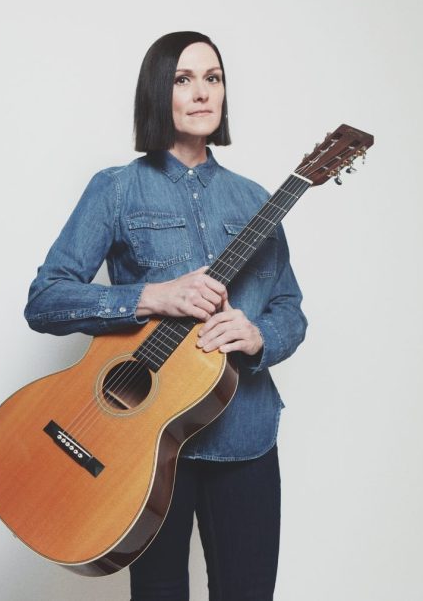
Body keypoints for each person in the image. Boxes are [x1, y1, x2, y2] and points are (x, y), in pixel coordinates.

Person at [24, 32, 307, 600]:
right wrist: (149, 296)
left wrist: (258, 335)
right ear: (159, 91)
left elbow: (290, 310)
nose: (203, 93)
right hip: (145, 450)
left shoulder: (256, 199)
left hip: (245, 436)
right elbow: (46, 299)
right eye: (184, 79)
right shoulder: (116, 190)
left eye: (214, 78)